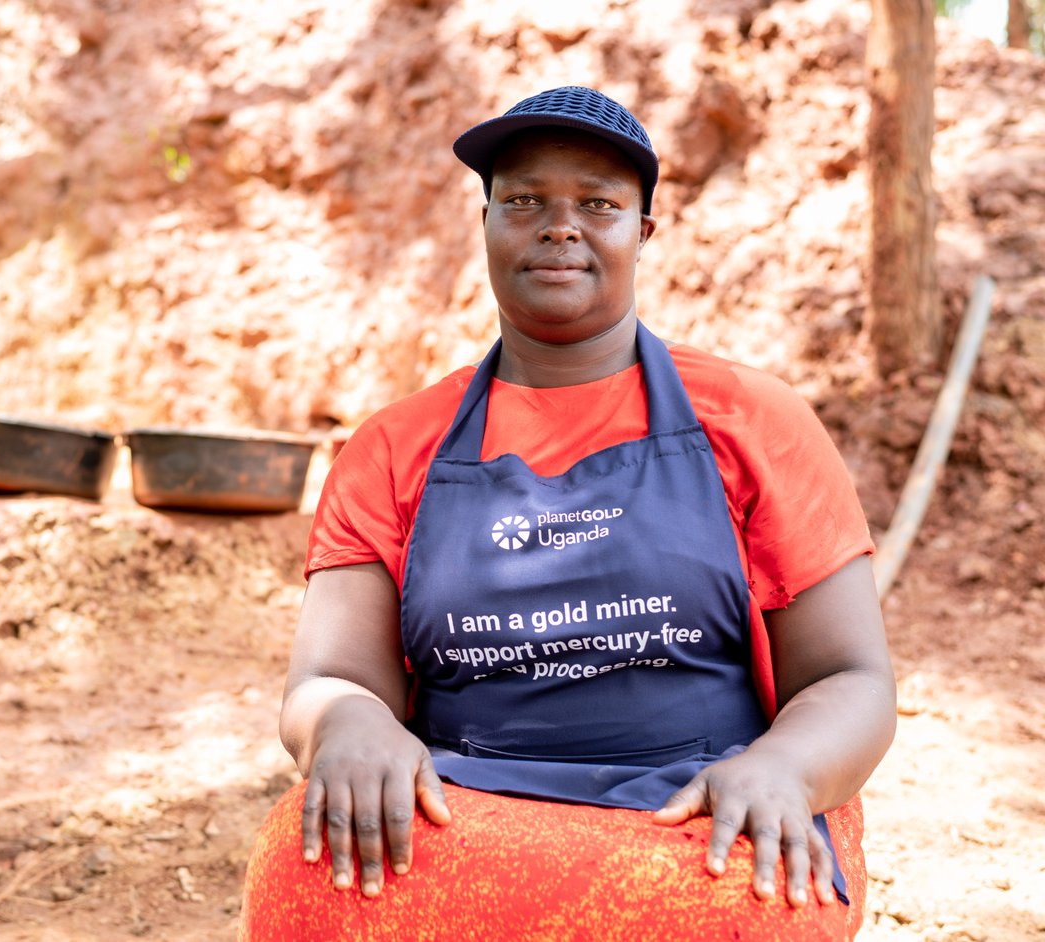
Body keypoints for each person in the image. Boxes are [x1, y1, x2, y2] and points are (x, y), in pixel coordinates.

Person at [239, 86, 896, 941]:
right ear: (485, 226)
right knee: (307, 869)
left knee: (742, 904)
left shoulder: (753, 420)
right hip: (459, 808)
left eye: (598, 203)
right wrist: (352, 725)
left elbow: (852, 679)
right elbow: (329, 681)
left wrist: (782, 770)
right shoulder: (395, 447)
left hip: (698, 809)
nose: (560, 225)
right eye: (524, 201)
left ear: (642, 234)